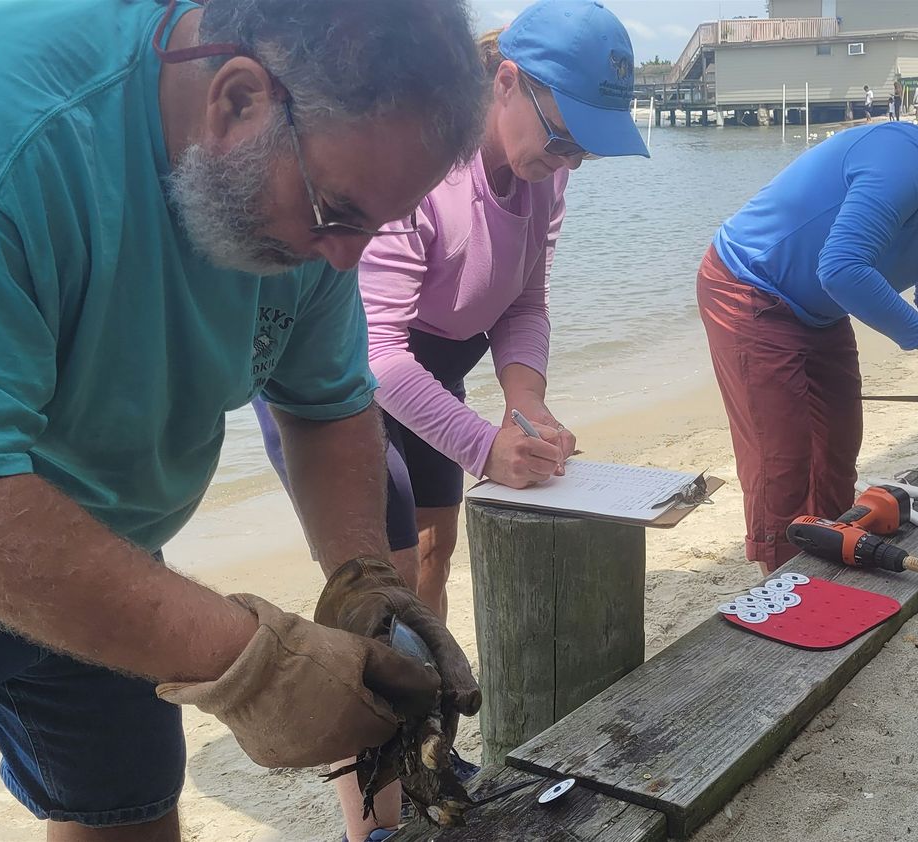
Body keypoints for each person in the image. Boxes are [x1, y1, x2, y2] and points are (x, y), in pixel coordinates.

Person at [0, 1, 489, 840]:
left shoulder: (320, 200)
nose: (347, 258)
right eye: (340, 214)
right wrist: (255, 666)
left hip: (104, 542)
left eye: (376, 226)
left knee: (126, 818)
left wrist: (362, 580)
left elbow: (326, 406)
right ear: (238, 99)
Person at [254, 3, 648, 837]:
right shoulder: (421, 166)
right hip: (346, 372)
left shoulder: (546, 173)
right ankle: (377, 822)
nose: (572, 158)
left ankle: (425, 741)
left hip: (435, 365)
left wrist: (526, 402)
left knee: (432, 556)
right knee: (373, 601)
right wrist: (481, 445)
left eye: (585, 146)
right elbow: (378, 354)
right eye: (566, 135)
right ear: (506, 83)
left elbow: (524, 300)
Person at [695, 98, 918, 574]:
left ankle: (826, 560)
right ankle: (781, 583)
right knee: (782, 457)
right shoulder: (903, 159)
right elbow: (843, 269)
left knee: (838, 443)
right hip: (749, 288)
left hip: (820, 310)